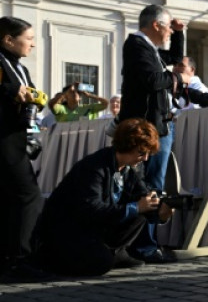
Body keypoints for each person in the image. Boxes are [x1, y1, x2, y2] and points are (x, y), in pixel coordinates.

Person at [33, 118, 173, 276]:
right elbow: (93, 210)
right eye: (142, 152)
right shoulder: (95, 167)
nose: (145, 158)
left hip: (93, 229)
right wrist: (136, 207)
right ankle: (52, 259)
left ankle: (117, 251)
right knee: (101, 262)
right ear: (127, 145)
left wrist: (161, 211)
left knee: (142, 210)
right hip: (68, 230)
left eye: (148, 153)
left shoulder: (129, 169)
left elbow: (143, 196)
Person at [117, 4, 190, 264]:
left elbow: (170, 60)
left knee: (152, 184)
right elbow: (152, 80)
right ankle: (143, 246)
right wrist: (178, 80)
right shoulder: (137, 45)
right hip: (147, 127)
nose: (170, 31)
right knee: (146, 186)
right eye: (169, 26)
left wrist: (180, 34)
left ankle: (146, 244)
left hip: (159, 125)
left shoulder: (149, 49)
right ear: (156, 25)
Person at [0, 17, 46, 281]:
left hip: (17, 137)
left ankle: (9, 259)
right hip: (4, 139)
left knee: (10, 198)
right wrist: (11, 91)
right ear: (8, 39)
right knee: (29, 196)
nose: (32, 45)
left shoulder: (20, 68)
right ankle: (20, 259)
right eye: (28, 39)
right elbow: (7, 91)